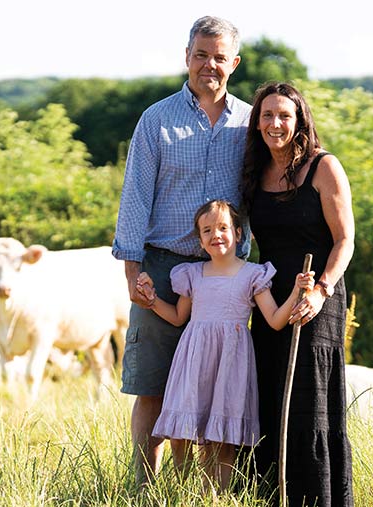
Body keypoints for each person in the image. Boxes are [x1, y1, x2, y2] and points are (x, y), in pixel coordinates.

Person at [111, 15, 252, 487]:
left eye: (218, 57)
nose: (208, 65)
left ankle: (195, 489)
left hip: (223, 275)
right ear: (186, 58)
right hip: (162, 267)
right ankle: (145, 488)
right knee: (153, 384)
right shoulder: (156, 119)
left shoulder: (252, 122)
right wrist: (133, 272)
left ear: (233, 63)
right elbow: (134, 198)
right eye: (200, 55)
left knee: (210, 389)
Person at [136, 199, 314, 491]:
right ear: (200, 240)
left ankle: (213, 494)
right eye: (207, 231)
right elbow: (179, 316)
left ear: (239, 233)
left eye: (222, 227)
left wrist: (297, 290)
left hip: (230, 362)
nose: (215, 235)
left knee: (221, 437)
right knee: (182, 430)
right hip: (194, 359)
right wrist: (153, 301)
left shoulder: (253, 274)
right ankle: (182, 490)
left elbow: (275, 320)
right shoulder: (191, 274)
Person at [239, 81, 355, 506]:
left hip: (317, 295)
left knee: (309, 404)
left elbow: (345, 240)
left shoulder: (324, 167)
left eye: (284, 115)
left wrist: (322, 291)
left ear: (300, 120)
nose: (275, 123)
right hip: (270, 300)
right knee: (267, 394)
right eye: (267, 115)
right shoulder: (254, 171)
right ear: (256, 123)